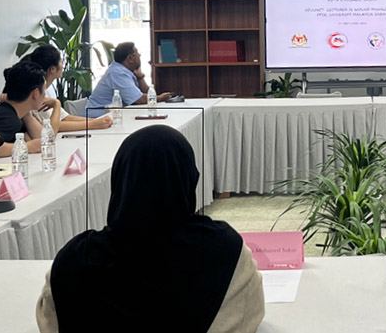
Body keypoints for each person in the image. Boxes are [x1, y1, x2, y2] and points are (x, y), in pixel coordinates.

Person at [36, 125, 265, 333]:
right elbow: (248, 311)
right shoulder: (224, 251)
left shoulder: (75, 260)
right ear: (188, 180)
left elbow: (50, 322)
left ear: (121, 179)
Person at [17, 44, 113, 133]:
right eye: (61, 61)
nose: (63, 66)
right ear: (52, 69)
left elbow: (65, 118)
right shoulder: (36, 92)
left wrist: (97, 121)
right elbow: (52, 126)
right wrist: (93, 124)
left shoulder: (45, 90)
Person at [0, 61, 48, 159]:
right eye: (44, 90)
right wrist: (27, 147)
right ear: (36, 93)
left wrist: (26, 113)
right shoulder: (9, 120)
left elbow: (42, 141)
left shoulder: (0, 110)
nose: (45, 95)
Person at [86, 42, 171, 118]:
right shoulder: (117, 73)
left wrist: (140, 77)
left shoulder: (124, 71)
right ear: (130, 58)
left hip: (112, 116)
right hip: (96, 118)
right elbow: (138, 100)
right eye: (137, 53)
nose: (139, 55)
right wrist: (160, 98)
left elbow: (146, 94)